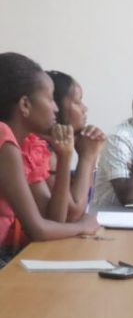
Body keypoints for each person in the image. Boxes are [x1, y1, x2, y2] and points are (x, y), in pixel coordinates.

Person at [0, 52, 99, 266]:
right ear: (25, 105)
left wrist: (65, 158)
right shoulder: (3, 140)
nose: (55, 108)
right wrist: (83, 226)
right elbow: (38, 229)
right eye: (50, 99)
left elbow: (53, 219)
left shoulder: (21, 143)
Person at [20, 71, 106, 223]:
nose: (84, 109)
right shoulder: (38, 148)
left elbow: (85, 201)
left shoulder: (54, 146)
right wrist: (87, 157)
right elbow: (71, 214)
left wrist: (89, 153)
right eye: (77, 102)